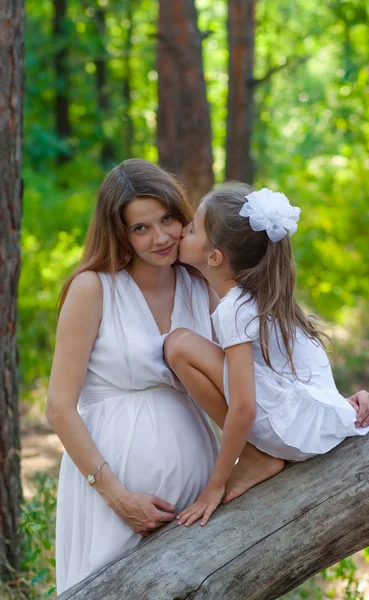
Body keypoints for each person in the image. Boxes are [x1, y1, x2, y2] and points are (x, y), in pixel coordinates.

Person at [164, 183, 369, 527]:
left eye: (192, 229)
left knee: (178, 344)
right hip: (307, 431)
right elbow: (298, 376)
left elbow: (244, 407)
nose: (182, 230)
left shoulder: (235, 309)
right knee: (185, 344)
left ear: (214, 258)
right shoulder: (267, 299)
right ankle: (258, 454)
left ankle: (255, 457)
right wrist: (343, 406)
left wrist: (216, 484)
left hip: (287, 437)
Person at [46, 159, 219, 593]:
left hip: (197, 491)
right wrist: (117, 496)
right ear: (118, 233)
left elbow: (253, 373)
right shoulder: (94, 288)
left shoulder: (202, 285)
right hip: (113, 493)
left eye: (166, 219)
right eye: (140, 228)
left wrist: (335, 405)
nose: (160, 237)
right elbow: (59, 408)